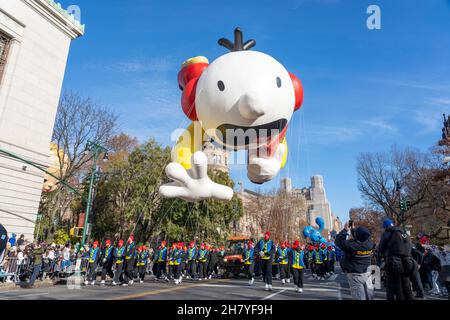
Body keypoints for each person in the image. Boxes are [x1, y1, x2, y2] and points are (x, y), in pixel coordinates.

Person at [335, 222, 375, 300]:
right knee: (369, 297)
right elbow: (363, 237)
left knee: (359, 298)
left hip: (355, 275)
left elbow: (338, 241)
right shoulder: (370, 244)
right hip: (368, 273)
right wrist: (353, 230)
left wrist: (345, 230)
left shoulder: (352, 246)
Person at [378, 218, 415, 300]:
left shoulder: (387, 233)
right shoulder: (404, 232)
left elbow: (381, 249)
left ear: (385, 226)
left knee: (392, 286)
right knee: (406, 286)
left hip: (394, 262)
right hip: (407, 262)